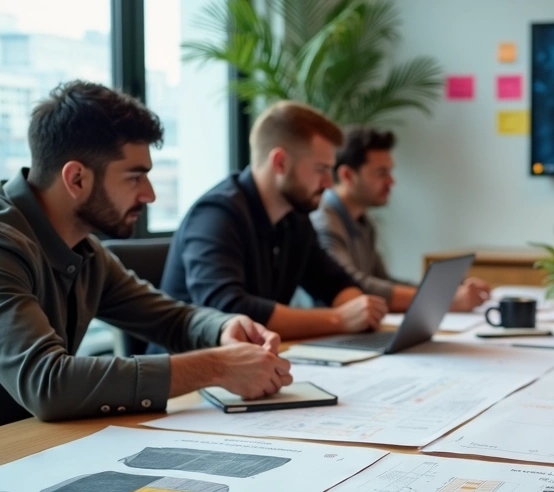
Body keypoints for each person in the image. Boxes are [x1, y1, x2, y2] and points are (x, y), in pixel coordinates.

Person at [0, 81, 291, 449]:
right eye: (135, 176)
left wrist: (224, 328)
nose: (150, 194)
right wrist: (217, 366)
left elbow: (172, 319)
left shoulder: (83, 249)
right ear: (76, 178)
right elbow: (49, 384)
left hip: (27, 452)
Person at [160, 102, 388, 342]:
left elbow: (334, 282)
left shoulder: (294, 218)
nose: (329, 183)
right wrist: (339, 319)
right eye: (321, 169)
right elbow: (228, 309)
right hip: (192, 370)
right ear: (279, 162)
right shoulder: (216, 214)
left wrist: (359, 310)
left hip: (252, 365)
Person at [313, 127, 489, 313]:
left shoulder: (364, 222)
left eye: (390, 172)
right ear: (347, 175)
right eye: (381, 173)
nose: (391, 181)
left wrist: (448, 291)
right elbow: (350, 285)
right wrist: (442, 300)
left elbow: (384, 281)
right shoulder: (324, 221)